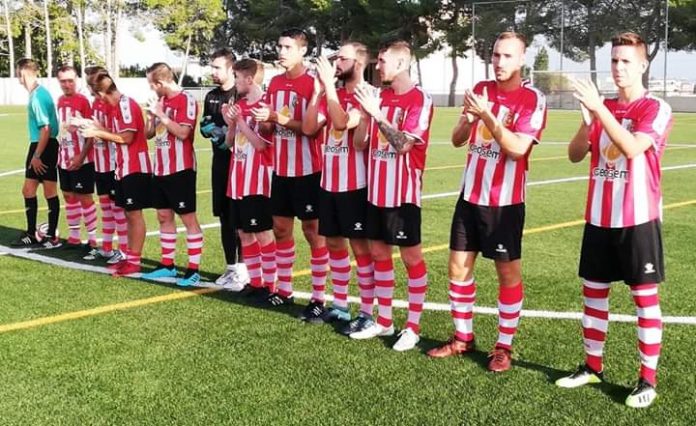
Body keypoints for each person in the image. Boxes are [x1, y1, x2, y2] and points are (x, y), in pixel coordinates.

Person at [555, 32, 672, 409]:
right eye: (614, 61)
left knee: (644, 299)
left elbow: (632, 147)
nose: (618, 68)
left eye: (626, 62)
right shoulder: (601, 106)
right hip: (599, 218)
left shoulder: (655, 108)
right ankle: (592, 366)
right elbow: (575, 155)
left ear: (642, 65)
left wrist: (601, 111)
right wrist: (585, 120)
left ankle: (647, 379)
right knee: (593, 295)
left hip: (637, 219)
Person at [426, 32, 547, 372]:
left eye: (507, 56)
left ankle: (503, 347)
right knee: (457, 269)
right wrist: (468, 118)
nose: (499, 62)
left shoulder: (531, 99)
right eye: (495, 55)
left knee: (507, 274)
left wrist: (489, 117)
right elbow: (456, 140)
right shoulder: (480, 90)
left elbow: (517, 149)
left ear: (522, 60)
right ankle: (463, 338)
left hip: (505, 203)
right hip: (470, 197)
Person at [349, 39, 433, 352]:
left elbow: (403, 145)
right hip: (375, 192)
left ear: (400, 64)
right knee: (380, 255)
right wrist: (366, 114)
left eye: (383, 61)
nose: (378, 65)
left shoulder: (419, 99)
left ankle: (412, 327)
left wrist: (378, 114)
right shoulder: (378, 97)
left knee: (411, 258)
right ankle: (384, 321)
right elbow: (359, 143)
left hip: (404, 194)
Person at [253, 28, 329, 314]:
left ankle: (318, 298)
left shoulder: (314, 83)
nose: (281, 52)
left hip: (309, 170)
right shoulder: (273, 83)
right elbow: (269, 128)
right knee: (281, 229)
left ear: (302, 51)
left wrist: (276, 117)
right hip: (281, 170)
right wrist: (265, 122)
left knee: (313, 231)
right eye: (279, 46)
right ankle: (284, 290)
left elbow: (310, 130)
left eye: (287, 47)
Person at [302, 43, 375, 330]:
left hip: (355, 185)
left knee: (360, 248)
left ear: (358, 61)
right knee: (334, 244)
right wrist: (319, 91)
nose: (335, 62)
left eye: (340, 58)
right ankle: (341, 307)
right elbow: (309, 128)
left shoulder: (364, 94)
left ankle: (367, 312)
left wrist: (329, 90)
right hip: (328, 183)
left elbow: (343, 122)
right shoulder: (333, 93)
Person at [80, 73, 152, 277]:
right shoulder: (116, 107)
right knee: (128, 214)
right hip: (123, 166)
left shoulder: (125, 104)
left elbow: (127, 138)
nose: (97, 99)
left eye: (96, 94)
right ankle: (129, 258)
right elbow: (114, 134)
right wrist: (92, 127)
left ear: (101, 92)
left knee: (134, 214)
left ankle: (135, 260)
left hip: (135, 166)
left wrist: (98, 133)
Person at [141, 62, 203, 287]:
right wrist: (151, 116)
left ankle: (193, 269)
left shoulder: (186, 99)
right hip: (161, 168)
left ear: (161, 82)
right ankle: (168, 265)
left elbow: (184, 133)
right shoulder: (161, 101)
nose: (151, 89)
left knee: (188, 219)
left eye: (152, 84)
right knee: (163, 217)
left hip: (181, 168)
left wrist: (162, 115)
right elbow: (149, 134)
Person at [221, 59, 276, 298]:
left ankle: (271, 284)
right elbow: (228, 142)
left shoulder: (266, 106)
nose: (235, 82)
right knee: (244, 232)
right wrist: (232, 124)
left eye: (237, 77)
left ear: (249, 79)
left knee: (263, 233)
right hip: (237, 179)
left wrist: (241, 122)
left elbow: (262, 146)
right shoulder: (240, 105)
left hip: (258, 180)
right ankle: (255, 281)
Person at [200, 49, 249, 289]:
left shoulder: (240, 94)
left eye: (217, 67)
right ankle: (231, 267)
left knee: (240, 217)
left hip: (239, 164)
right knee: (224, 216)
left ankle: (245, 268)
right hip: (220, 164)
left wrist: (220, 130)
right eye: (212, 67)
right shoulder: (210, 96)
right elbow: (204, 126)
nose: (213, 71)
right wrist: (218, 131)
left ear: (231, 68)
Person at [11, 58, 61, 249]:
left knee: (48, 192)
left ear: (23, 72)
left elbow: (46, 128)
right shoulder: (37, 94)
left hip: (43, 146)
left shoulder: (38, 96)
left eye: (18, 73)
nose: (17, 77)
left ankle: (50, 236)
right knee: (29, 190)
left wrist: (37, 155)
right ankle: (32, 233)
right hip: (42, 145)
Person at [84, 66, 128, 264]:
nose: (90, 86)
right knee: (106, 208)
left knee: (117, 209)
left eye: (92, 81)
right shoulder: (95, 103)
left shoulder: (113, 103)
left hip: (112, 163)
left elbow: (116, 134)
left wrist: (96, 131)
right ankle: (108, 247)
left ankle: (124, 249)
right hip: (99, 164)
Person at [55, 65, 99, 257]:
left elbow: (92, 132)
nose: (67, 84)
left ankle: (92, 240)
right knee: (68, 196)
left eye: (70, 80)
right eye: (63, 81)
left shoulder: (83, 101)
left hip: (82, 159)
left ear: (77, 80)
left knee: (84, 198)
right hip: (63, 158)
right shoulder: (60, 101)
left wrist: (81, 156)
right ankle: (74, 237)